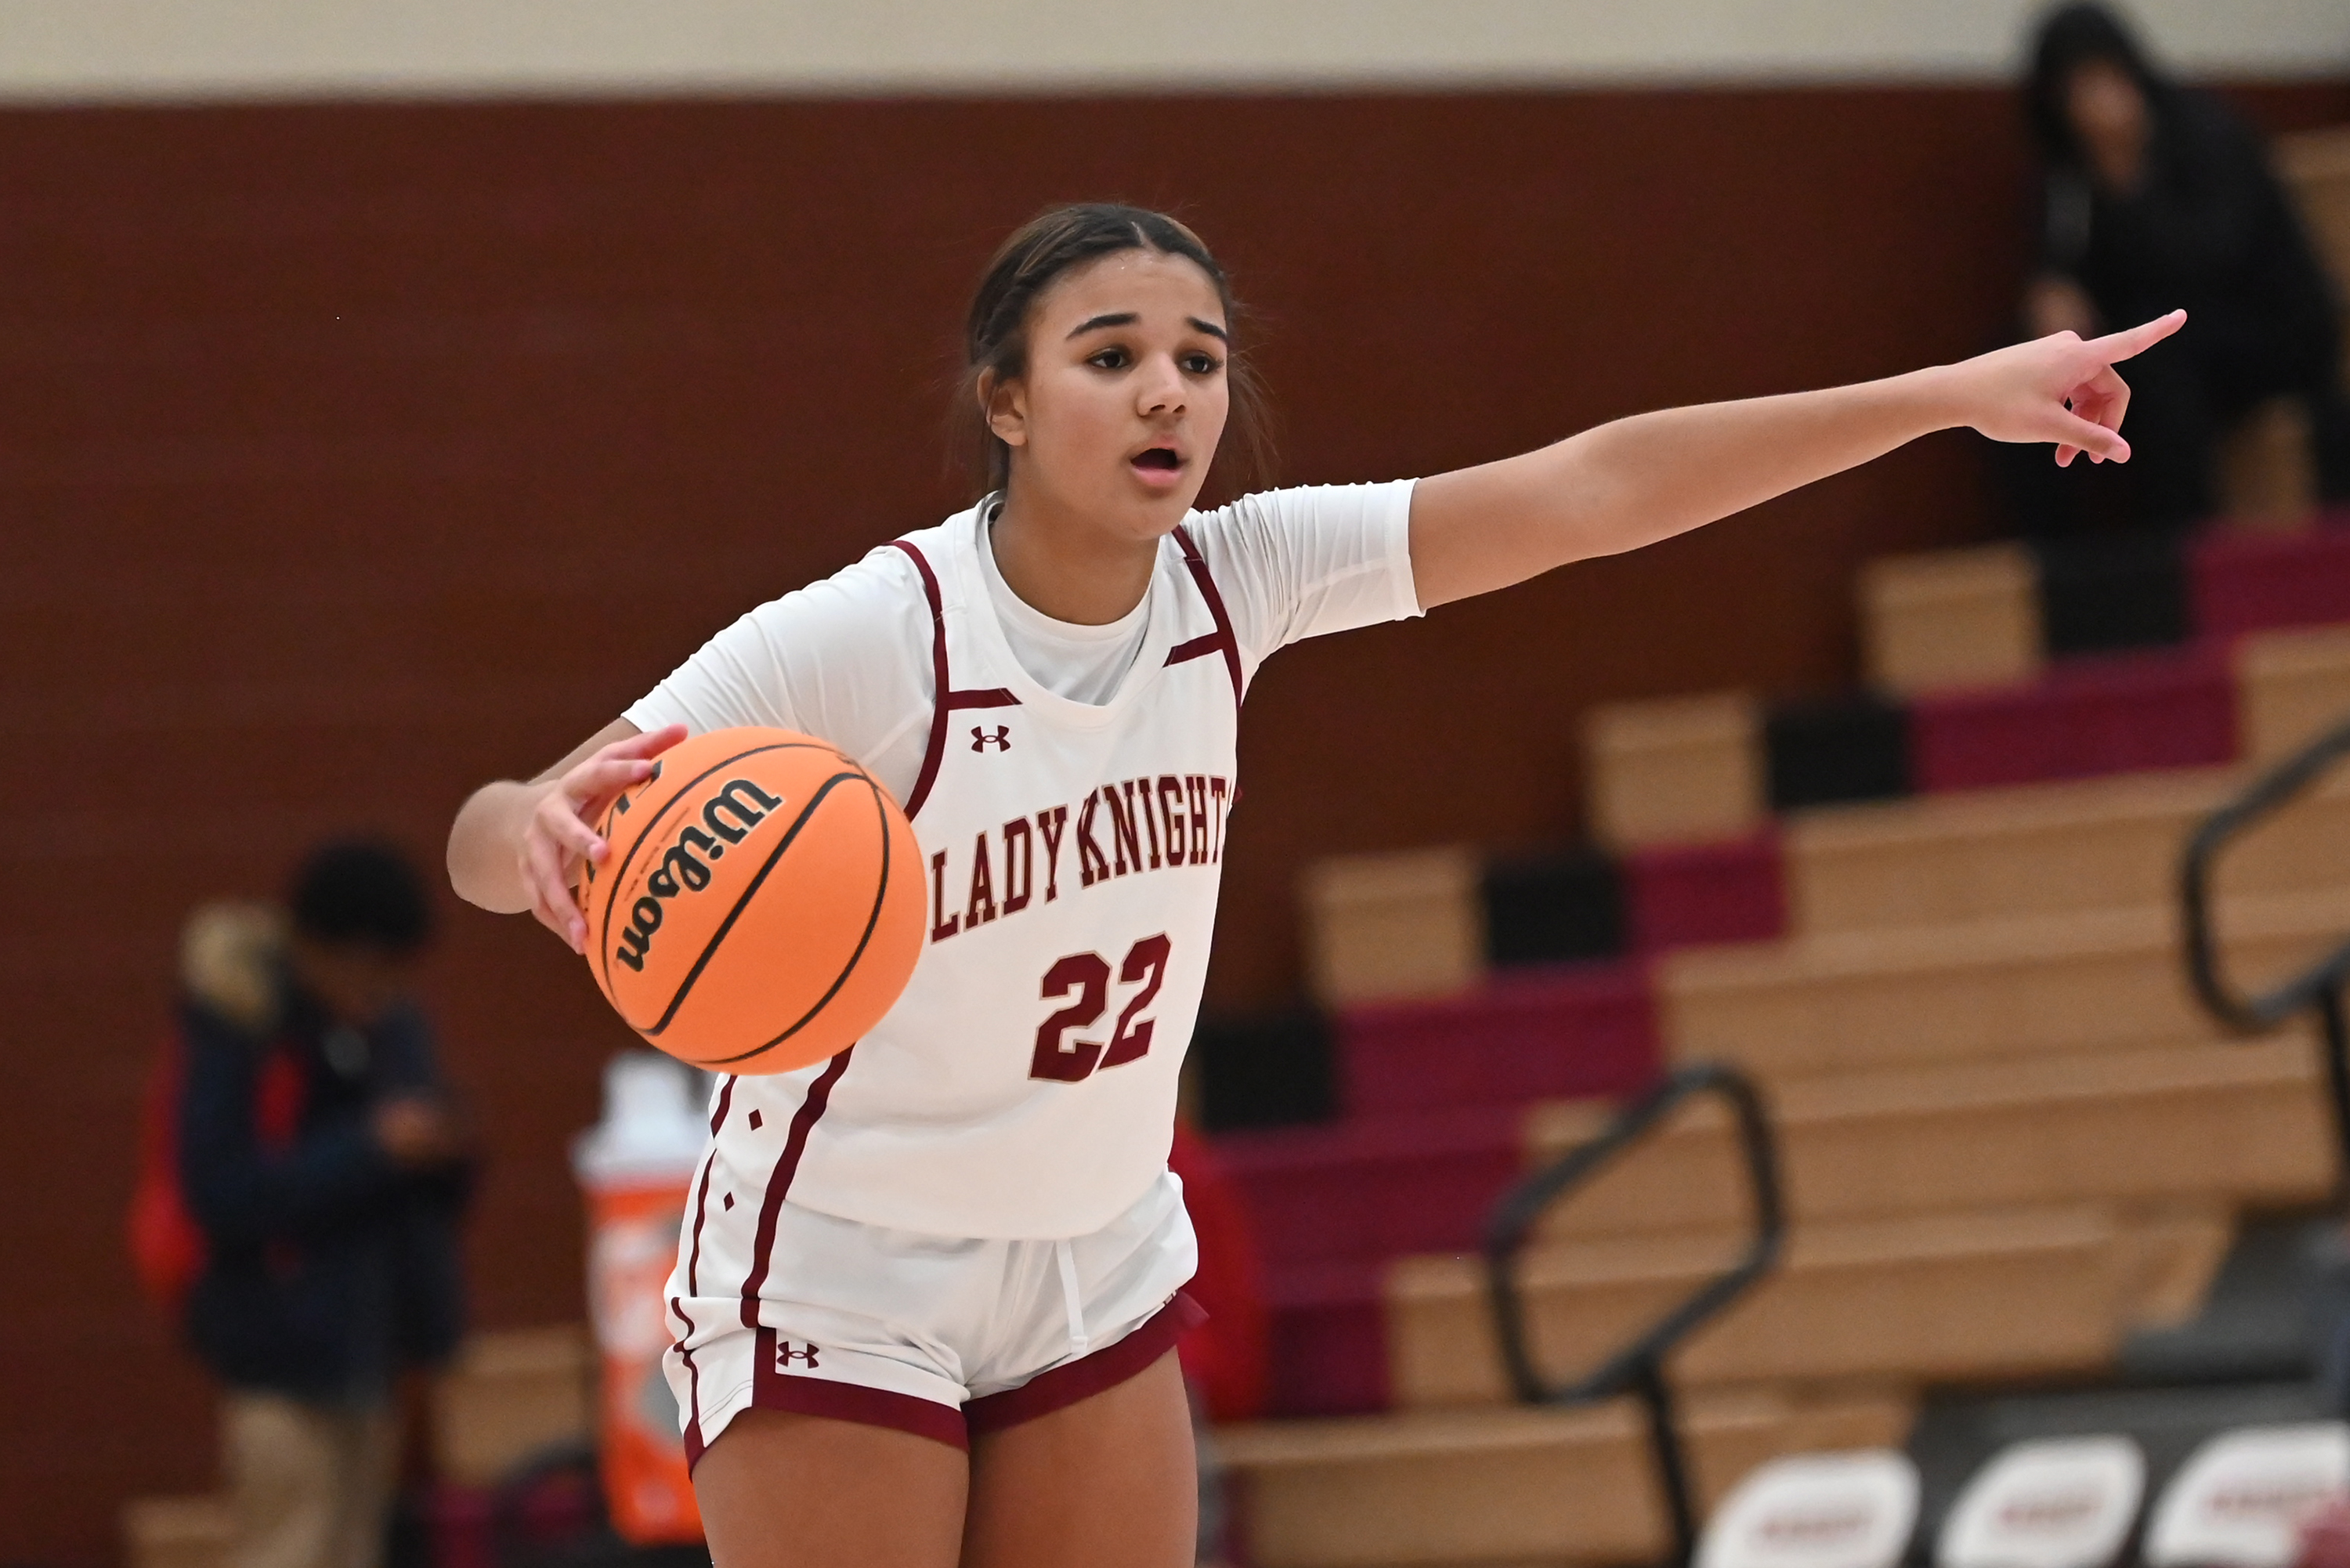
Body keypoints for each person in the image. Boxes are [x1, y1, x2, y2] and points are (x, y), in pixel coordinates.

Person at [446, 202, 2180, 1567]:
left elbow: (1589, 491)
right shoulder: (872, 632)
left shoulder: (1240, 580)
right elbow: (503, 824)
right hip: (840, 1257)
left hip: (1088, 1249)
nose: (1167, 392)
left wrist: (1950, 396)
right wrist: (528, 824)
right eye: (1110, 353)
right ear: (1004, 398)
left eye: (1198, 358)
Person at [178, 842, 472, 1568]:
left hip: (371, 1335)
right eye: (368, 972)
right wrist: (370, 1150)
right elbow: (220, 1193)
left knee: (354, 1544)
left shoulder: (389, 1025)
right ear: (320, 950)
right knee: (289, 1543)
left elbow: (436, 1181)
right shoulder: (245, 1025)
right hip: (276, 1343)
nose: (379, 992)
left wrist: (440, 1150)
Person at [2007, 1, 2350, 536]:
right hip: (2162, 334)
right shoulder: (2066, 173)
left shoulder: (2203, 133)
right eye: (2074, 89)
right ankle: (2057, 560)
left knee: (2161, 373)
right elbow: (2063, 259)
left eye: (2103, 77)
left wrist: (2126, 180)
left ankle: (2187, 551)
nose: (2092, 102)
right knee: (2019, 365)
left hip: (2269, 327)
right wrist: (2053, 293)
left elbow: (2214, 261)